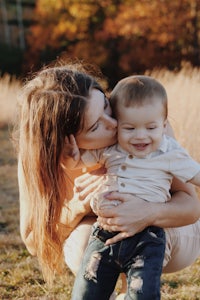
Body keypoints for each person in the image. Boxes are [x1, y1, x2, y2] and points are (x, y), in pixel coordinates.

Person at [16, 63, 200, 298]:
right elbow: (33, 241)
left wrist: (147, 211)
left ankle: (132, 291)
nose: (113, 123)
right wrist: (79, 205)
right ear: (64, 140)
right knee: (85, 238)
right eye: (95, 126)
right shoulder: (39, 157)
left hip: (174, 230)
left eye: (105, 104)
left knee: (138, 232)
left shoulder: (141, 121)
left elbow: (191, 206)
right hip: (103, 236)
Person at [64, 75, 200, 299]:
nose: (140, 136)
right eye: (129, 128)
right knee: (86, 291)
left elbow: (195, 174)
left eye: (151, 127)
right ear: (118, 124)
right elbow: (79, 162)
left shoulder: (168, 152)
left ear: (163, 126)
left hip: (148, 238)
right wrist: (69, 158)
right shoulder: (112, 148)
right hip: (105, 234)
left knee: (143, 293)